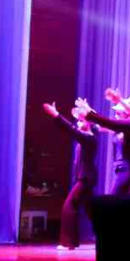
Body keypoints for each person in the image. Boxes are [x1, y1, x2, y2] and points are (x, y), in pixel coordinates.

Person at [43, 100, 99, 250]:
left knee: (70, 205)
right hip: (84, 177)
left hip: (86, 178)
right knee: (92, 210)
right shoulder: (86, 137)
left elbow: (71, 129)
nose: (78, 123)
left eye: (81, 121)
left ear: (88, 123)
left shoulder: (89, 138)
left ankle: (69, 242)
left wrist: (56, 115)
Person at [83, 93, 130, 194]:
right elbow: (107, 125)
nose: (127, 108)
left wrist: (89, 113)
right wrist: (90, 113)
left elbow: (109, 123)